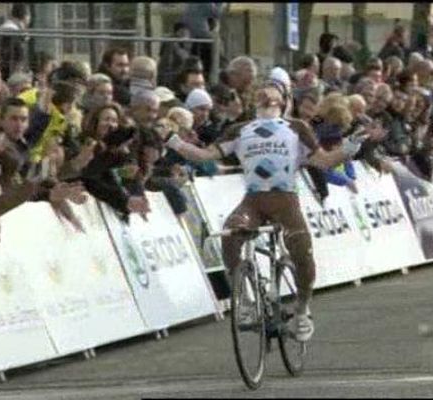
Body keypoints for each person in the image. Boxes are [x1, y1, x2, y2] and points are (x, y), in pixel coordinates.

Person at [157, 81, 381, 342]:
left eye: (273, 94)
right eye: (261, 94)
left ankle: (302, 309)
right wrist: (172, 141)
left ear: (283, 102)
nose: (266, 97)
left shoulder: (297, 128)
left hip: (286, 202)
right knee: (230, 236)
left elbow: (324, 161)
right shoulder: (238, 130)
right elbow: (204, 156)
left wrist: (351, 144)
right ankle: (247, 301)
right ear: (254, 101)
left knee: (302, 252)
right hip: (253, 201)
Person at [0, 3, 31, 81]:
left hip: (5, 70)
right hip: (9, 73)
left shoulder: (11, 29)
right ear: (26, 16)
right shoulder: (11, 31)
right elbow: (18, 55)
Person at [158, 22, 192, 88]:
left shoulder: (183, 44)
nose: (187, 35)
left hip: (176, 76)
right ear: (179, 32)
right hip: (169, 77)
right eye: (185, 32)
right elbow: (167, 60)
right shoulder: (171, 42)